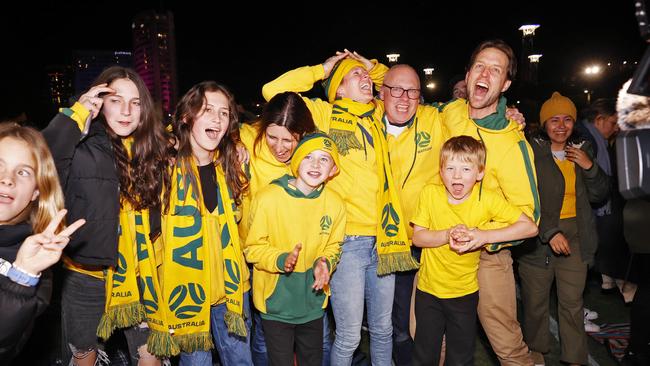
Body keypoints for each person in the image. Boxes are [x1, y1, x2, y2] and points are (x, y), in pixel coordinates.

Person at [263, 50, 418, 366]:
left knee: (383, 329)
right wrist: (324, 68)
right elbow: (272, 92)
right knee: (348, 335)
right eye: (354, 76)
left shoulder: (377, 115)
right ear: (338, 89)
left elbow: (391, 79)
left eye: (365, 77)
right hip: (347, 243)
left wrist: (368, 66)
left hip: (384, 240)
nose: (365, 80)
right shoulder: (323, 114)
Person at [43, 66, 172, 366]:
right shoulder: (81, 144)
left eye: (135, 102)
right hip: (87, 277)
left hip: (142, 276)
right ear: (99, 102)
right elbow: (43, 158)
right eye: (116, 100)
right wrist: (76, 114)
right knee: (84, 358)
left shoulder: (153, 150)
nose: (126, 110)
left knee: (152, 357)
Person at [439, 39, 540, 366]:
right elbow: (399, 93)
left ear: (506, 84)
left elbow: (529, 217)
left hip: (487, 256)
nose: (485, 73)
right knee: (428, 337)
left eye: (495, 70)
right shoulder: (449, 113)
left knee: (506, 343)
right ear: (467, 75)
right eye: (480, 66)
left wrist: (482, 237)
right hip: (439, 250)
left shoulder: (512, 140)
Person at [411, 135, 537, 366]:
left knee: (460, 358)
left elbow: (529, 227)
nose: (456, 176)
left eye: (466, 169)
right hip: (427, 292)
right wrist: (447, 234)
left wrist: (483, 236)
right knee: (424, 355)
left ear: (480, 173)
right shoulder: (430, 193)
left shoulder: (487, 199)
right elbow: (418, 237)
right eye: (449, 168)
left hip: (464, 294)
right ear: (440, 171)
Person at [239, 92, 338, 366]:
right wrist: (231, 145)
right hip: (253, 252)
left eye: (289, 140)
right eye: (272, 137)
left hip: (305, 267)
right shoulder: (247, 138)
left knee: (319, 338)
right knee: (262, 336)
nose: (280, 147)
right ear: (261, 128)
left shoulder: (311, 161)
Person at [516, 92, 609, 365]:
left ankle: (574, 359)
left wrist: (589, 167)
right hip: (537, 238)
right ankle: (536, 352)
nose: (561, 125)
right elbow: (522, 200)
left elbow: (600, 194)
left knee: (572, 303)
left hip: (576, 236)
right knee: (535, 304)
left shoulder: (582, 150)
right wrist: (549, 230)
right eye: (554, 119)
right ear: (543, 123)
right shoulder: (530, 151)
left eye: (567, 119)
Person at [163, 81, 252, 366]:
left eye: (224, 113)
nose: (217, 118)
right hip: (187, 289)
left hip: (232, 289)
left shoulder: (231, 165)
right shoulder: (164, 167)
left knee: (241, 361)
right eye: (208, 110)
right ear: (188, 116)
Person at [0, 123, 85, 363]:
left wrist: (22, 277)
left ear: (36, 192)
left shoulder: (35, 263)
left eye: (23, 172)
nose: (7, 180)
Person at [578, 99, 637, 303]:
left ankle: (612, 281)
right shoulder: (587, 139)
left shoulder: (597, 139)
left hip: (601, 206)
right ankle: (625, 287)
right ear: (599, 119)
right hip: (592, 208)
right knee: (606, 246)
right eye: (612, 123)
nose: (614, 129)